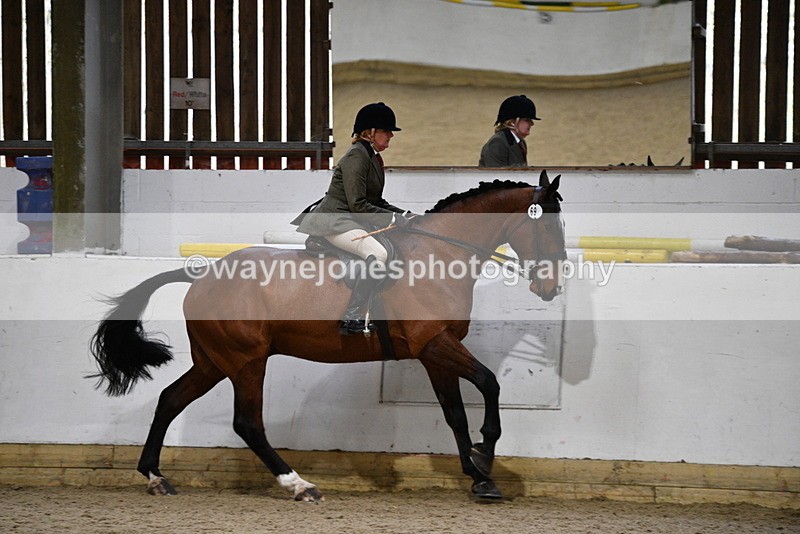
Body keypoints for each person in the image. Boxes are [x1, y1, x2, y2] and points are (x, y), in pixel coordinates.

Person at [292, 102, 415, 335]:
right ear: (369, 133)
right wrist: (392, 220)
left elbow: (376, 201)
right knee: (378, 254)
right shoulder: (356, 157)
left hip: (349, 219)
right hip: (334, 221)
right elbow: (358, 205)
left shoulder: (373, 157)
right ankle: (352, 316)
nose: (390, 135)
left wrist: (403, 215)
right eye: (386, 131)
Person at [478, 94, 540, 167]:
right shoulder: (498, 143)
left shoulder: (520, 142)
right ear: (512, 123)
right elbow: (495, 175)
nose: (532, 124)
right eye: (527, 120)